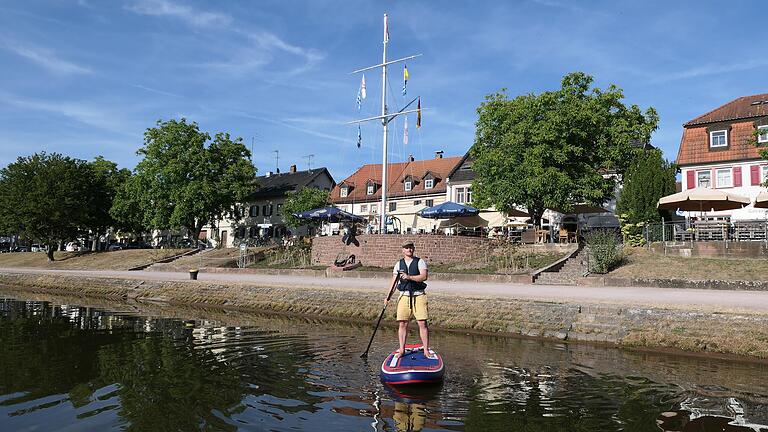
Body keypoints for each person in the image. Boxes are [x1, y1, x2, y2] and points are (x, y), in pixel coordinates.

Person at [386, 240, 432, 358]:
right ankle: (402, 349)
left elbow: (424, 276)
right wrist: (388, 297)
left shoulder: (420, 262)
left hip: (419, 295)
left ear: (413, 249)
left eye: (411, 247)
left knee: (422, 323)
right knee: (402, 323)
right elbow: (394, 282)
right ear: (403, 250)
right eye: (406, 248)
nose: (409, 250)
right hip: (404, 296)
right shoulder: (398, 264)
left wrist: (409, 277)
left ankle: (426, 350)